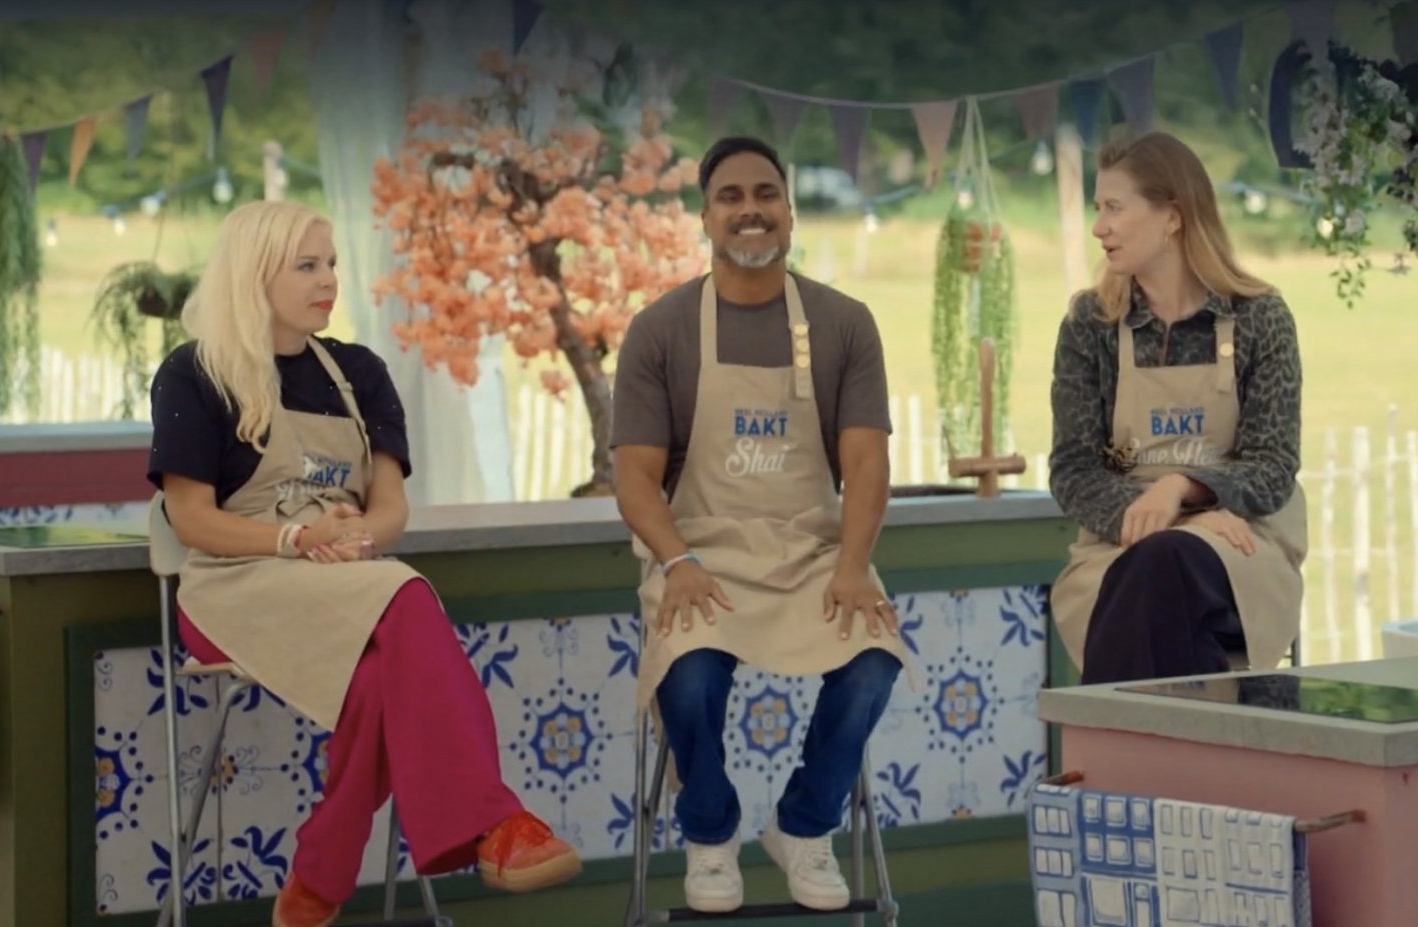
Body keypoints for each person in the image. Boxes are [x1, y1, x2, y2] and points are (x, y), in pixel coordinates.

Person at [147, 201, 580, 927]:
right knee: (406, 596)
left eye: (333, 264)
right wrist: (296, 540)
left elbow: (389, 508)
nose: (329, 281)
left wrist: (357, 541)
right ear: (256, 274)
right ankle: (495, 821)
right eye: (307, 266)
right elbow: (192, 520)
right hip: (233, 589)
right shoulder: (194, 374)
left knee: (384, 666)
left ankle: (320, 875)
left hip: (343, 576)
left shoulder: (358, 373)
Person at [611, 136, 914, 914]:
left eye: (765, 193)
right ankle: (710, 837)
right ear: (705, 215)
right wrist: (676, 560)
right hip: (700, 552)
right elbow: (636, 479)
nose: (750, 209)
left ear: (789, 207)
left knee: (874, 657)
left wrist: (855, 563)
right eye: (731, 196)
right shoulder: (661, 328)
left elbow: (868, 465)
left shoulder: (845, 323)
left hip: (815, 551)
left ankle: (805, 826)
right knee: (691, 668)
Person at [1047, 130, 1309, 685]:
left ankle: (1115, 756)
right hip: (1119, 543)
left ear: (1173, 216)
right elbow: (1074, 472)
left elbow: (1272, 466)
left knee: (1167, 566)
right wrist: (1167, 516)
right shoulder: (1090, 327)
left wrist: (1183, 491)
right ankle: (1195, 755)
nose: (1099, 227)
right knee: (1162, 587)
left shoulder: (1259, 319)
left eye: (1114, 208)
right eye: (1098, 209)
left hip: (1239, 540)